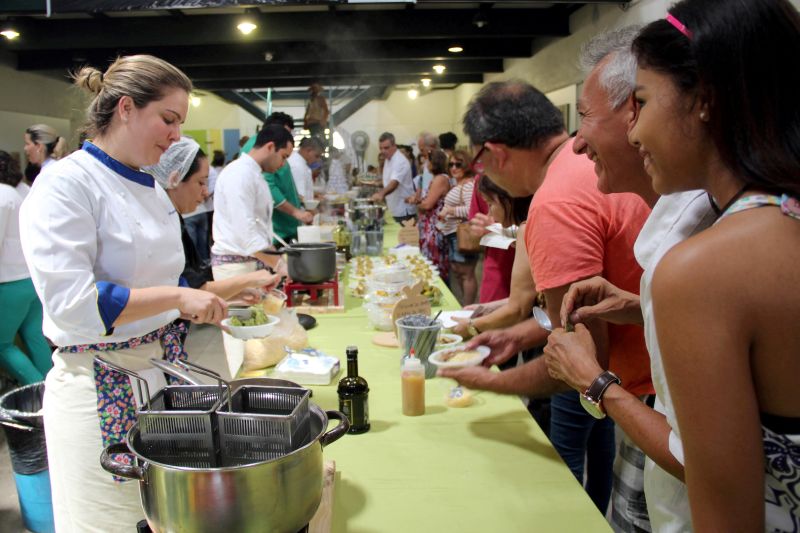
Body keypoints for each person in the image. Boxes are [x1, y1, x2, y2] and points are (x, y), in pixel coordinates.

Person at [607, 3, 796, 529]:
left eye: (641, 103)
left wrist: (596, 383)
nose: (634, 131)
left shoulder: (703, 269)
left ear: (705, 100)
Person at [19, 55, 227, 530]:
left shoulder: (149, 188)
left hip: (158, 378)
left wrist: (192, 300)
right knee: (112, 521)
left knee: (161, 518)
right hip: (99, 388)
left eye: (181, 123)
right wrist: (177, 300)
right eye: (169, 120)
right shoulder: (66, 184)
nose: (177, 136)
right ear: (127, 108)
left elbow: (159, 279)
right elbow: (73, 305)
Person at [441, 80, 652, 516]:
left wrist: (496, 382)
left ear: (495, 152)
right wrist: (519, 337)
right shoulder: (585, 164)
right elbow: (595, 312)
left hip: (655, 399)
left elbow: (581, 362)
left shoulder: (554, 201)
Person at [539, 26, 716, 532]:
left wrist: (593, 382)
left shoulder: (718, 244)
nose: (576, 143)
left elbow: (701, 459)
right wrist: (639, 304)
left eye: (642, 102)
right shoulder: (686, 208)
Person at [143, 137, 280, 300]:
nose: (206, 192)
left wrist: (238, 293)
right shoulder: (159, 228)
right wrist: (249, 279)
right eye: (201, 182)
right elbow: (190, 290)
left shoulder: (174, 220)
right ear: (174, 179)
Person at [452, 175, 533, 340]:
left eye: (490, 204)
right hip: (499, 272)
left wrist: (473, 325)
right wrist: (487, 307)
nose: (490, 214)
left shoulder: (529, 230)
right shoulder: (524, 231)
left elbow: (520, 307)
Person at [211, 124, 294, 281]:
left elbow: (259, 226)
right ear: (270, 147)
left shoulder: (254, 173)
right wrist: (281, 266)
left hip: (252, 263)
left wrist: (278, 259)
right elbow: (246, 232)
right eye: (283, 156)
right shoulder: (239, 174)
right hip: (236, 268)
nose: (283, 164)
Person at [0, 151, 52, 384]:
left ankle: (39, 395)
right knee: (35, 337)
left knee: (2, 345)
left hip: (9, 283)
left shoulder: (2, 195)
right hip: (31, 279)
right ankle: (54, 391)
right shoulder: (23, 191)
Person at [466, 174, 515, 304]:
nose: (490, 212)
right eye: (488, 203)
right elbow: (475, 228)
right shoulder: (482, 179)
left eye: (491, 203)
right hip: (498, 269)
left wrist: (496, 229)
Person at [438, 149, 478, 305]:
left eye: (458, 164)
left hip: (462, 234)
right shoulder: (460, 184)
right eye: (451, 164)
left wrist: (450, 210)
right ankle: (464, 305)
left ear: (466, 165)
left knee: (466, 273)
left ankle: (468, 308)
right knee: (458, 271)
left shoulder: (468, 185)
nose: (454, 168)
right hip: (453, 233)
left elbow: (471, 211)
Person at [408, 148, 450, 281]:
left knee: (435, 265)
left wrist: (417, 204)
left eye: (428, 161)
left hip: (434, 228)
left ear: (434, 163)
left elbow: (428, 205)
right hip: (431, 226)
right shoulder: (437, 178)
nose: (426, 164)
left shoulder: (440, 179)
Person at [371, 132, 416, 223]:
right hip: (394, 208)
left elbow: (394, 183)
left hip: (403, 211)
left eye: (386, 148)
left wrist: (381, 194)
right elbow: (389, 180)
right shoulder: (389, 158)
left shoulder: (400, 161)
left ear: (394, 146)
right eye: (381, 148)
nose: (383, 151)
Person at [289, 136, 324, 203]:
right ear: (308, 150)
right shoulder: (297, 166)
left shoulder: (301, 163)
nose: (317, 160)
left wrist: (313, 196)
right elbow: (299, 197)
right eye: (316, 156)